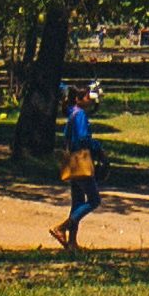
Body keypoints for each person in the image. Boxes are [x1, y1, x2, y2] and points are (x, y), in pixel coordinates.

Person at [53, 82, 104, 252]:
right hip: (81, 160)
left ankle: (72, 243)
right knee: (94, 200)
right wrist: (97, 147)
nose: (90, 101)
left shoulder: (72, 114)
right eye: (87, 97)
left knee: (77, 202)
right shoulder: (80, 115)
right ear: (78, 99)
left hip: (72, 162)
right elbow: (83, 138)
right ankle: (62, 227)